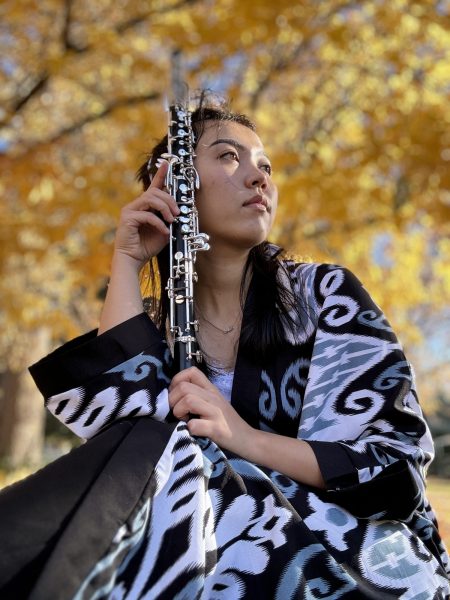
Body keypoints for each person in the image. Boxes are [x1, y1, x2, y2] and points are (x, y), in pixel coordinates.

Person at [0, 99, 449, 599]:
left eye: (265, 165)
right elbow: (122, 436)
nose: (259, 178)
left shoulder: (324, 294)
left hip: (351, 556)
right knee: (143, 441)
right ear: (177, 185)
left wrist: (243, 438)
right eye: (229, 157)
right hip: (205, 549)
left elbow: (393, 468)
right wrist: (126, 260)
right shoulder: (160, 324)